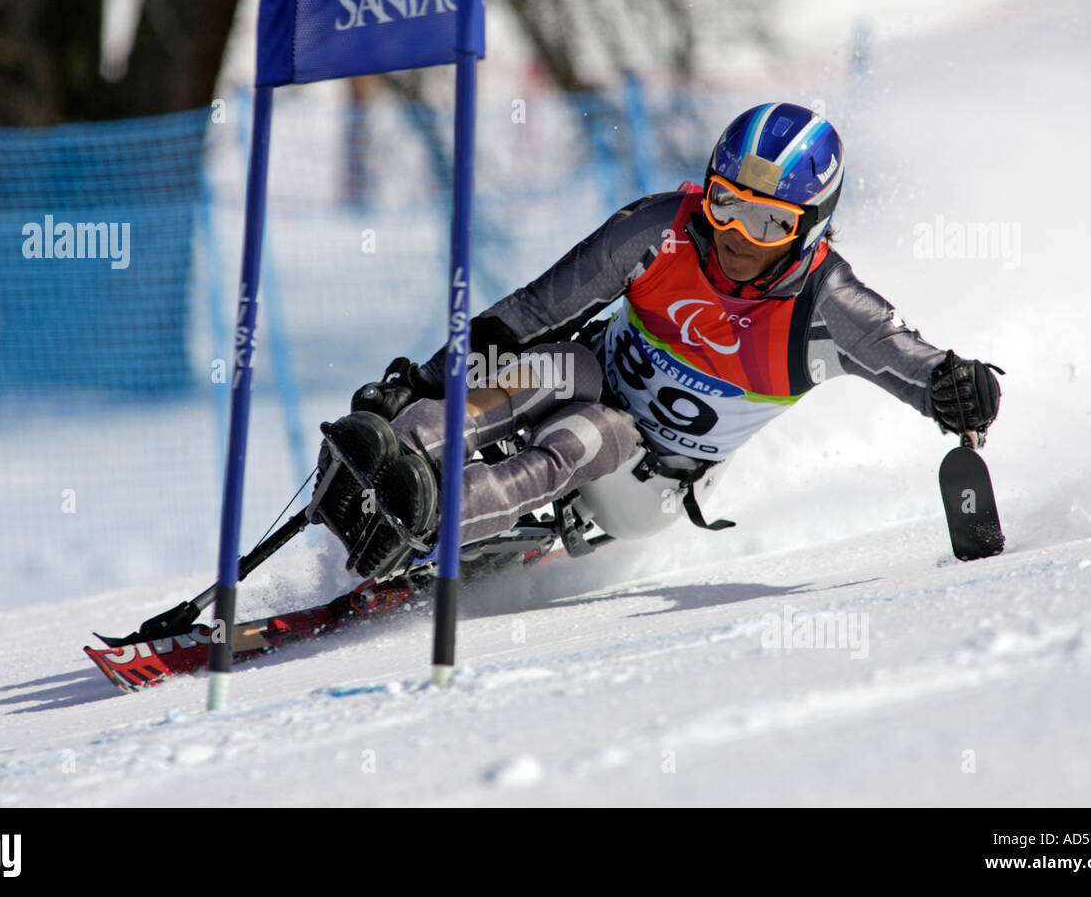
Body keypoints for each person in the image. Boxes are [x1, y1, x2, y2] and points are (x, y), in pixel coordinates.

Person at [311, 102, 1003, 578]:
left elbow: (917, 368)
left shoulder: (827, 308)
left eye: (768, 225)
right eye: (726, 204)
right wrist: (425, 380)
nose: (736, 237)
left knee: (594, 432)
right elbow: (529, 313)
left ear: (811, 227)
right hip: (592, 372)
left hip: (651, 482)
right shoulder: (659, 234)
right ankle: (400, 453)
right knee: (547, 367)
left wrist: (961, 387)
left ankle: (437, 518)